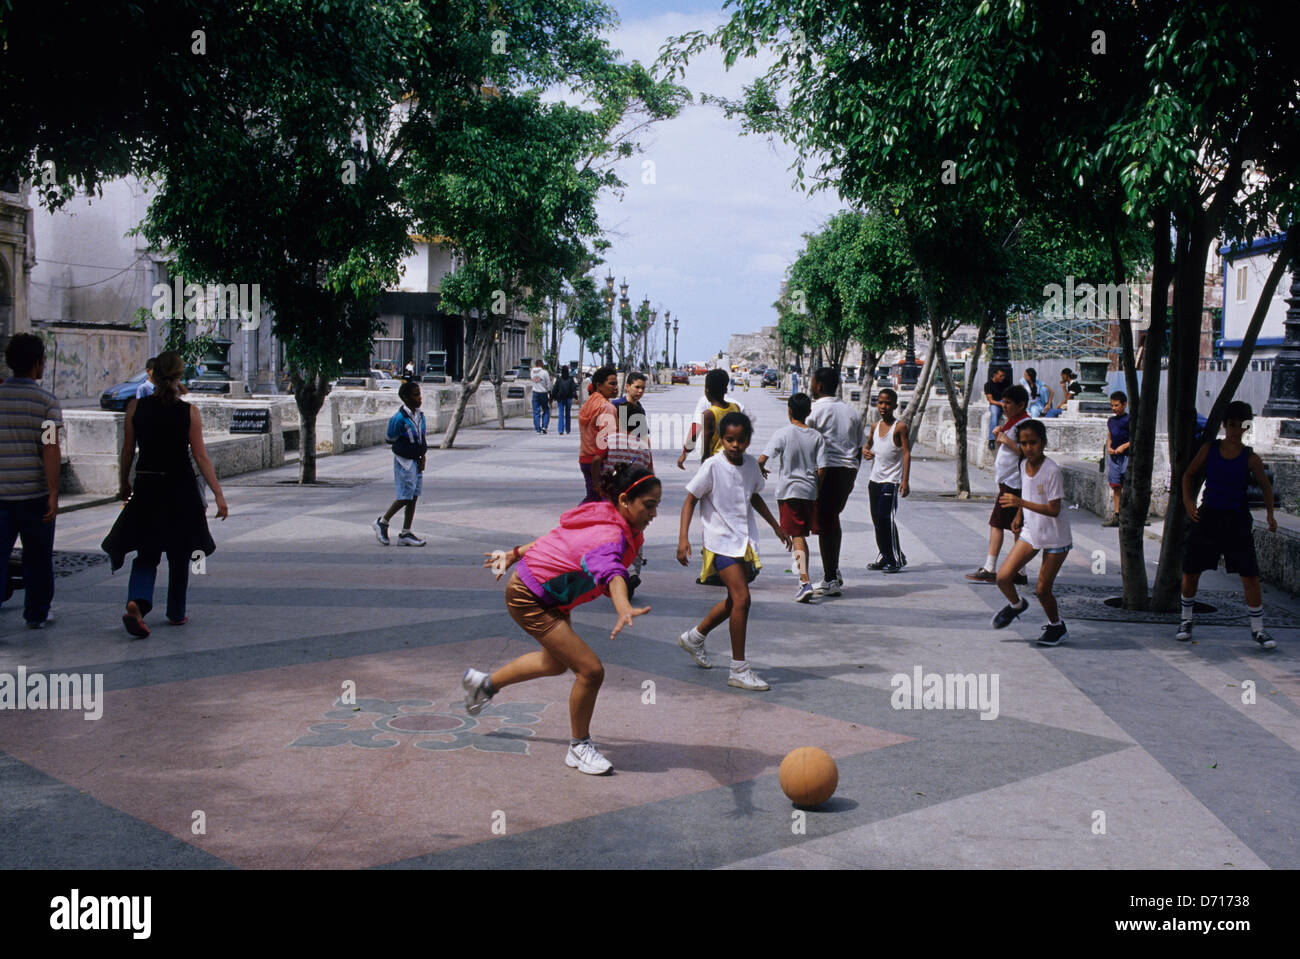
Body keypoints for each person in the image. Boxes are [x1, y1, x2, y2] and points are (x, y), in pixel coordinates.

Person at [461, 463, 659, 775]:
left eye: (656, 506)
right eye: (649, 505)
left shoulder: (605, 516)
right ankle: (579, 747)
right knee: (591, 671)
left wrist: (515, 553)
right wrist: (622, 606)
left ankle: (484, 685)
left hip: (549, 593)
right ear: (624, 501)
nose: (654, 514)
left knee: (553, 664)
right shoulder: (609, 533)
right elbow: (611, 571)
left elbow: (559, 538)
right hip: (529, 596)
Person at [103, 350, 228, 636]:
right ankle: (176, 612)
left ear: (154, 374)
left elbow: (126, 451)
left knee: (147, 552)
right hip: (180, 489)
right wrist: (219, 495)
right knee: (179, 552)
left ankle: (137, 601)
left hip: (147, 486)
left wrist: (124, 483)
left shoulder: (136, 408)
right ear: (179, 376)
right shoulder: (189, 412)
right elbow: (201, 457)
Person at [677, 411, 790, 690]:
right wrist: (683, 539)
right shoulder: (713, 466)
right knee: (742, 598)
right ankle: (738, 669)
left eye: (740, 440)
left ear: (748, 441)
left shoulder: (751, 465)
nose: (735, 446)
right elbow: (690, 500)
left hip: (743, 542)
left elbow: (754, 497)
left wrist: (776, 526)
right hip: (719, 542)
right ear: (721, 439)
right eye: (729, 440)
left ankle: (694, 637)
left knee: (734, 601)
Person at [1176, 400, 1277, 650]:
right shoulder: (1210, 449)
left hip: (1237, 520)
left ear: (1246, 427)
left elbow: (1266, 487)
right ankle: (1186, 620)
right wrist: (1189, 503)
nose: (1234, 430)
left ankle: (1258, 629)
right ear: (1224, 425)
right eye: (1230, 425)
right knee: (1191, 571)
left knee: (1250, 576)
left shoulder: (1250, 457)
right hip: (1208, 516)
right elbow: (1188, 475)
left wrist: (1270, 515)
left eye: (1239, 426)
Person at [989, 420, 1071, 646]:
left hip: (1056, 536)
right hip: (1031, 532)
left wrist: (1019, 502)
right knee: (1003, 577)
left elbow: (1054, 510)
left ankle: (1057, 627)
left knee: (1043, 591)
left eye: (1033, 442)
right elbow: (1028, 495)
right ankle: (1016, 605)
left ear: (1043, 442)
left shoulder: (1052, 470)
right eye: (1023, 443)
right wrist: (1018, 515)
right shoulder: (1023, 465)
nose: (1028, 448)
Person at [0, 333, 62, 628]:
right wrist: (53, 492)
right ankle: (37, 613)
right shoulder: (47, 402)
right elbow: (50, 448)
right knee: (38, 558)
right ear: (38, 364)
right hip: (34, 495)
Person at [757, 392, 824, 603]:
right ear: (809, 413)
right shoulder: (817, 437)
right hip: (809, 492)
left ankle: (804, 582)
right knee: (801, 536)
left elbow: (761, 459)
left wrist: (761, 469)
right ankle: (803, 579)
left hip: (789, 492)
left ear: (789, 411)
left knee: (796, 537)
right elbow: (822, 468)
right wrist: (816, 488)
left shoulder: (783, 434)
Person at [806, 366, 863, 596]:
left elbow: (805, 442)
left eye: (812, 382)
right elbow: (859, 447)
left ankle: (830, 579)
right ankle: (833, 570)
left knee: (826, 523)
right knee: (832, 520)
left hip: (825, 471)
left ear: (818, 385)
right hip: (847, 471)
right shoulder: (852, 412)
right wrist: (854, 472)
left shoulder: (814, 412)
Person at [966, 384, 1031, 585]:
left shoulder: (1024, 424)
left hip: (1014, 482)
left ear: (1021, 405)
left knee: (997, 524)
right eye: (1003, 402)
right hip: (1008, 481)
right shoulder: (1013, 423)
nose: (1004, 406)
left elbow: (1028, 453)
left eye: (1009, 403)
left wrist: (1006, 441)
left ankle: (990, 567)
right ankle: (1019, 571)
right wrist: (1000, 437)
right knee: (1015, 526)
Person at [863, 387, 911, 574]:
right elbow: (867, 446)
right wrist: (865, 451)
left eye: (888, 403)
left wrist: (905, 481)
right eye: (881, 402)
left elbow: (906, 454)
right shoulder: (875, 426)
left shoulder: (900, 427)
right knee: (877, 520)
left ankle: (896, 559)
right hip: (874, 480)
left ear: (895, 406)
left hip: (890, 481)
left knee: (886, 519)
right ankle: (884, 555)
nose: (883, 406)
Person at [374, 380, 428, 546]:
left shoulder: (420, 415)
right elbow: (390, 438)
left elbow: (422, 437)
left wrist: (422, 456)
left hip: (416, 460)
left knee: (413, 496)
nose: (419, 398)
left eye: (419, 394)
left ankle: (406, 532)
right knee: (405, 495)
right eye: (415, 395)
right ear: (405, 398)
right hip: (404, 461)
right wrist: (406, 450)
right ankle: (383, 521)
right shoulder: (399, 418)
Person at [677, 369, 744, 470]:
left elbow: (696, 430)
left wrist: (685, 453)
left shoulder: (707, 410)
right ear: (726, 389)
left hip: (718, 464)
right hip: (737, 461)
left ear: (706, 390)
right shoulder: (736, 407)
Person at [578, 365, 618, 502]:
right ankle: (573, 521)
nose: (616, 387)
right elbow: (607, 439)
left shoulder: (588, 403)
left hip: (585, 459)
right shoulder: (607, 407)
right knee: (601, 501)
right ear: (599, 385)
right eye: (611, 384)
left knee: (593, 498)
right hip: (599, 461)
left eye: (616, 383)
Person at [1102, 390, 1130, 526]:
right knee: (1116, 486)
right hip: (1114, 457)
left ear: (1124, 404)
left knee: (1128, 484)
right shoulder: (1111, 421)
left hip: (1126, 456)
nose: (1114, 408)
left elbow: (1135, 438)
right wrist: (1109, 447)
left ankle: (1130, 513)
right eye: (1112, 405)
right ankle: (1117, 514)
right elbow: (1109, 436)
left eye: (1117, 405)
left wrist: (1124, 447)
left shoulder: (1129, 419)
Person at [983, 367, 1009, 450]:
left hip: (1005, 401)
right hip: (995, 403)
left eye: (1003, 376)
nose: (1003, 378)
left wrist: (1005, 403)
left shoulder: (1006, 383)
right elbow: (990, 400)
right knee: (994, 414)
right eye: (1001, 376)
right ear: (995, 375)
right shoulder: (988, 385)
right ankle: (991, 440)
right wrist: (1001, 404)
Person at [551, 366, 577, 435]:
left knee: (561, 414)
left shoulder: (559, 380)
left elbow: (555, 389)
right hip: (568, 398)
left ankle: (560, 430)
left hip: (560, 398)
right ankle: (567, 429)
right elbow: (573, 389)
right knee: (568, 414)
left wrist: (552, 397)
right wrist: (575, 397)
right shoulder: (571, 379)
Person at [530, 359, 552, 434]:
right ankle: (544, 426)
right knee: (546, 410)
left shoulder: (532, 372)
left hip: (535, 392)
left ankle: (537, 429)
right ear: (541, 364)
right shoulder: (544, 372)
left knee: (536, 411)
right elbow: (548, 383)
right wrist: (549, 391)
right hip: (543, 393)